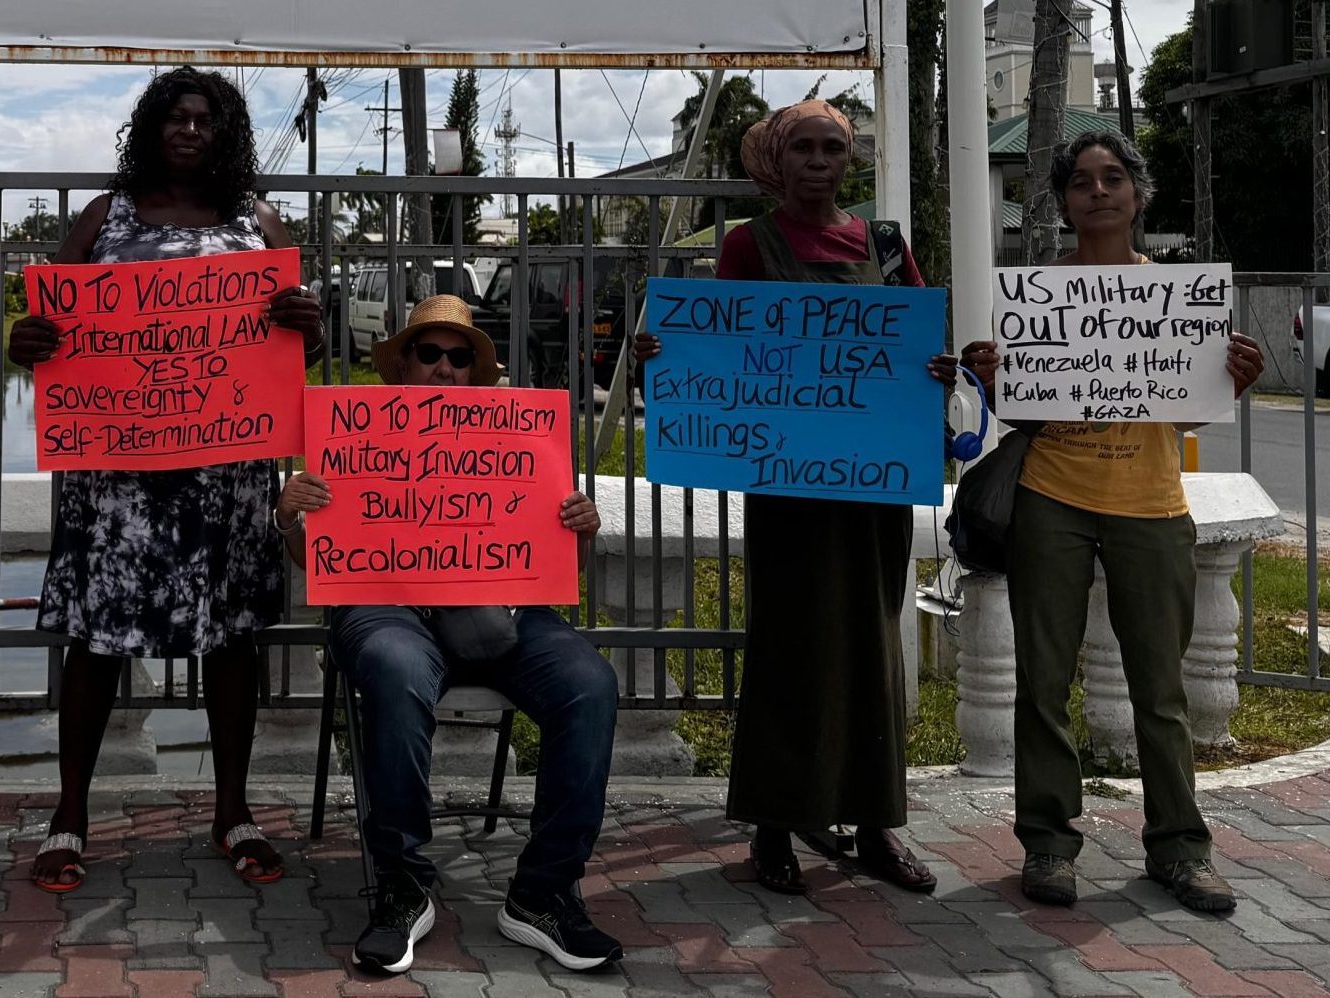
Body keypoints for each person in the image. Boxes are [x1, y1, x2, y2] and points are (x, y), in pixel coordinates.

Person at [634, 100, 1000, 895]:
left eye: (832, 147)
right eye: (800, 146)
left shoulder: (885, 244)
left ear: (850, 161)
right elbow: (718, 349)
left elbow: (921, 341)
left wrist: (939, 369)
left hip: (871, 490)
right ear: (775, 158)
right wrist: (663, 354)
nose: (817, 161)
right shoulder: (747, 244)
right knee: (788, 648)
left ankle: (877, 828)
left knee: (874, 649)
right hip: (785, 490)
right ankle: (773, 828)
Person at [6, 67, 322, 891]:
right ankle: (68, 814)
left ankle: (233, 809)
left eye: (205, 119)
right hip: (117, 476)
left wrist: (306, 325)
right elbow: (40, 328)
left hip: (226, 469)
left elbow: (293, 355)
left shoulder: (258, 223)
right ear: (150, 128)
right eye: (176, 117)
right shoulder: (103, 219)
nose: (189, 130)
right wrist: (29, 340)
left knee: (230, 637)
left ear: (226, 136)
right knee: (97, 640)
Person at [279, 295, 623, 974]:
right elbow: (314, 555)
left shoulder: (515, 440)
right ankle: (403, 884)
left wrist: (579, 529)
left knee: (590, 684)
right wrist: (293, 517)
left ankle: (544, 891)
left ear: (474, 371)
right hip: (386, 607)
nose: (443, 366)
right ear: (400, 364)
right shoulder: (356, 434)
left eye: (458, 357)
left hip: (504, 608)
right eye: (428, 353)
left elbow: (558, 567)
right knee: (394, 669)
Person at [1007, 132, 1263, 913]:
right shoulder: (1034, 296)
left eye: (1113, 178)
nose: (1098, 192)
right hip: (1051, 497)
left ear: (1139, 194)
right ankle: (1048, 845)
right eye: (1081, 182)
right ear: (1062, 201)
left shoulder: (1175, 297)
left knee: (1161, 688)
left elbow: (1187, 411)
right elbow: (1021, 410)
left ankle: (1181, 849)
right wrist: (996, 376)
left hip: (1151, 504)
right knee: (1043, 682)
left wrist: (1235, 380)